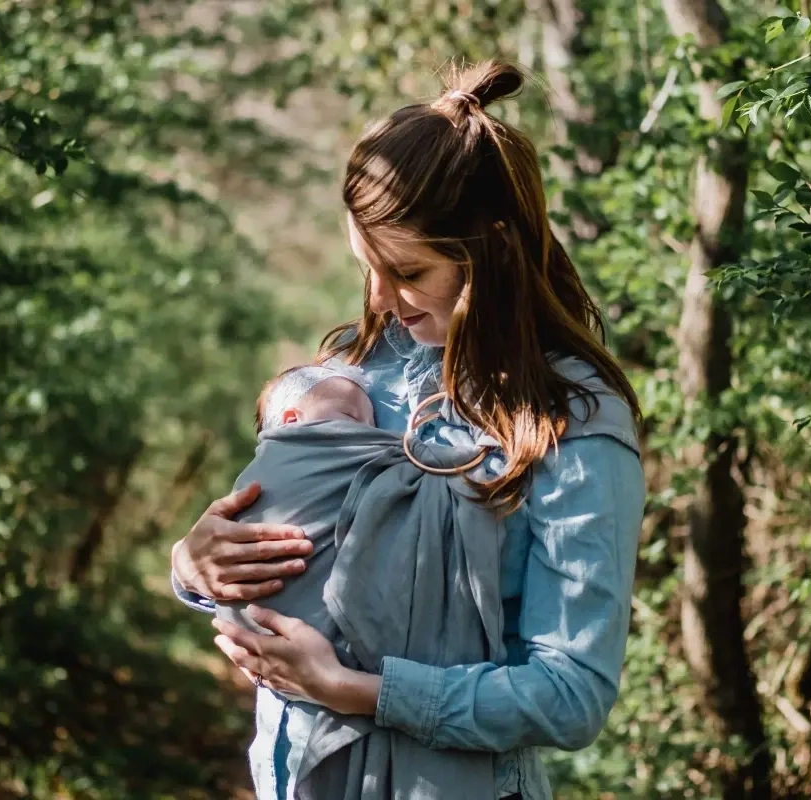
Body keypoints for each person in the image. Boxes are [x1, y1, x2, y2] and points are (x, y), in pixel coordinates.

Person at [171, 59, 646, 800]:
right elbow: (270, 548)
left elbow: (571, 693)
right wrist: (193, 567)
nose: (383, 299)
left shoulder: (571, 420)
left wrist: (356, 690)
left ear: (492, 251)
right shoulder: (346, 377)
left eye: (409, 272)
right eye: (368, 267)